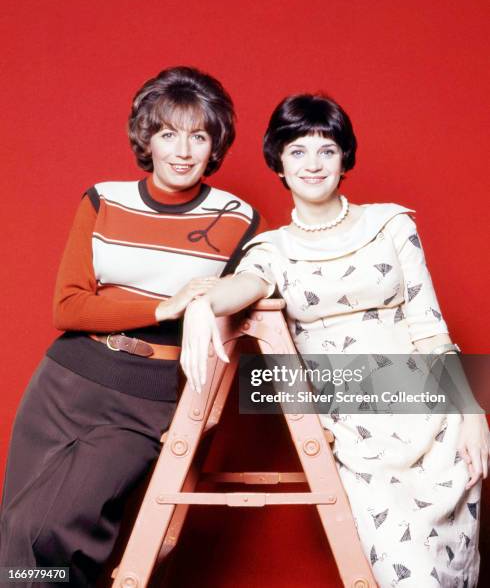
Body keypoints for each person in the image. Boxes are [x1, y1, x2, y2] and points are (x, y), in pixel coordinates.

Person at [180, 93, 489, 587]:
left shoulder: (392, 224)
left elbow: (431, 329)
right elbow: (245, 286)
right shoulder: (271, 250)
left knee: (457, 575)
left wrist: (472, 414)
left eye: (327, 149)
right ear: (278, 162)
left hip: (436, 424)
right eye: (298, 150)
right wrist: (204, 303)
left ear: (345, 156)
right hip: (356, 435)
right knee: (404, 575)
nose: (313, 163)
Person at [0, 66, 265, 587]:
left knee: (48, 529)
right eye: (168, 134)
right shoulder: (103, 199)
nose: (183, 151)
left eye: (199, 136)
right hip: (66, 382)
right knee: (13, 534)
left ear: (216, 145)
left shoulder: (238, 217)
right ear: (147, 138)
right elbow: (69, 308)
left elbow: (251, 296)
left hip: (147, 398)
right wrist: (164, 306)